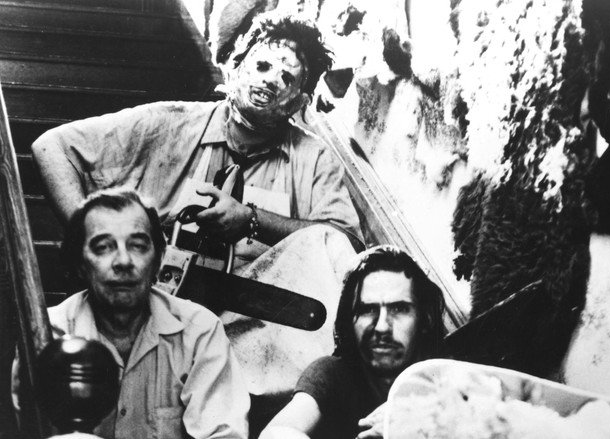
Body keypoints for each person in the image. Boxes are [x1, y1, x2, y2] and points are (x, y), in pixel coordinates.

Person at [31, 16, 363, 398]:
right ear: (235, 67)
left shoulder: (316, 158)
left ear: (301, 102)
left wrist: (251, 220)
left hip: (252, 338)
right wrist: (93, 244)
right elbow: (51, 148)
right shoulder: (169, 122)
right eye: (262, 65)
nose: (271, 80)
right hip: (152, 313)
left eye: (287, 77)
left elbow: (344, 245)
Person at [46, 188, 249, 439]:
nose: (123, 261)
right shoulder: (48, 334)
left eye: (138, 246)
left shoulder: (199, 332)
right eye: (103, 247)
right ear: (79, 264)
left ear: (158, 260)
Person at [260, 245, 446, 439]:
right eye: (368, 310)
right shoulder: (333, 373)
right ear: (350, 321)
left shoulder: (448, 382)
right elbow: (278, 432)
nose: (382, 327)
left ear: (426, 318)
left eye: (398, 309)